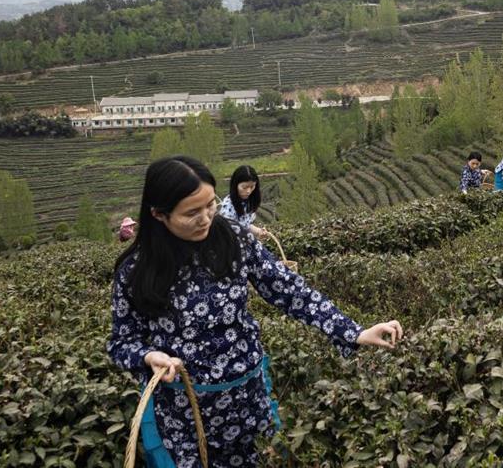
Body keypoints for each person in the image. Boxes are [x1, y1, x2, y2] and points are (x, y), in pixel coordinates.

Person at [108, 156, 404, 467]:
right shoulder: (135, 270)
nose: (205, 218)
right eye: (191, 213)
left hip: (247, 402)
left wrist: (353, 332)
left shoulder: (234, 239)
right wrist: (148, 357)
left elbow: (289, 289)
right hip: (184, 415)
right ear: (158, 214)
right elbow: (122, 343)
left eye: (210, 205)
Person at [219, 164, 268, 240]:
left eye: (252, 187)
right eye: (244, 187)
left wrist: (258, 231)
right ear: (235, 185)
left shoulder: (247, 202)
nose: (248, 191)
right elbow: (227, 235)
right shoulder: (228, 207)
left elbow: (246, 225)